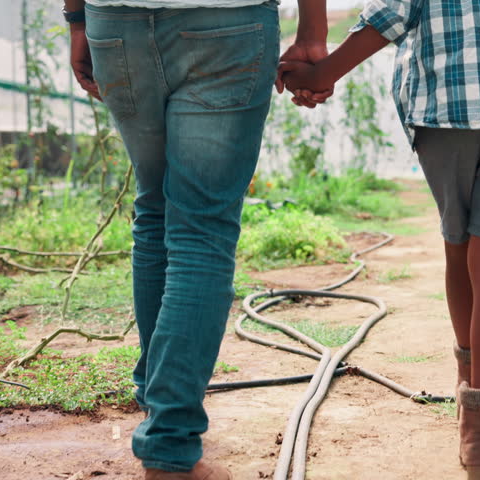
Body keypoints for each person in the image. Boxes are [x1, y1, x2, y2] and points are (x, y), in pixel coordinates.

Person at [277, 1, 480, 478]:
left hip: (444, 109)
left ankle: (470, 386)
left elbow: (389, 16)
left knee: (459, 244)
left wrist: (321, 74)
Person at [67, 0, 330, 478]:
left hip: (117, 21)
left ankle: (158, 403)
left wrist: (77, 20)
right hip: (229, 21)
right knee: (201, 227)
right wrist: (312, 32)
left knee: (155, 207)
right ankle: (169, 441)